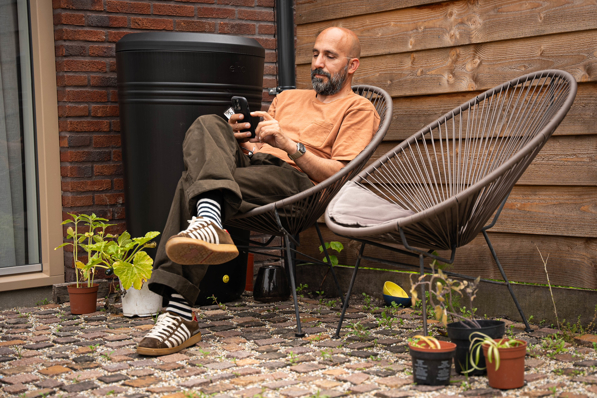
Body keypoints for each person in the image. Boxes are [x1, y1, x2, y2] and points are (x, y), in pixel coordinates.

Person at [137, 27, 380, 356]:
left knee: (190, 183)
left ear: (352, 65)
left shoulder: (358, 109)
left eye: (330, 56)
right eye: (315, 54)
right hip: (257, 169)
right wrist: (242, 139)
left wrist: (287, 143)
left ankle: (178, 312)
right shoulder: (287, 98)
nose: (318, 63)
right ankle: (208, 222)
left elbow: (339, 174)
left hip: (300, 187)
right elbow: (256, 150)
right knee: (209, 123)